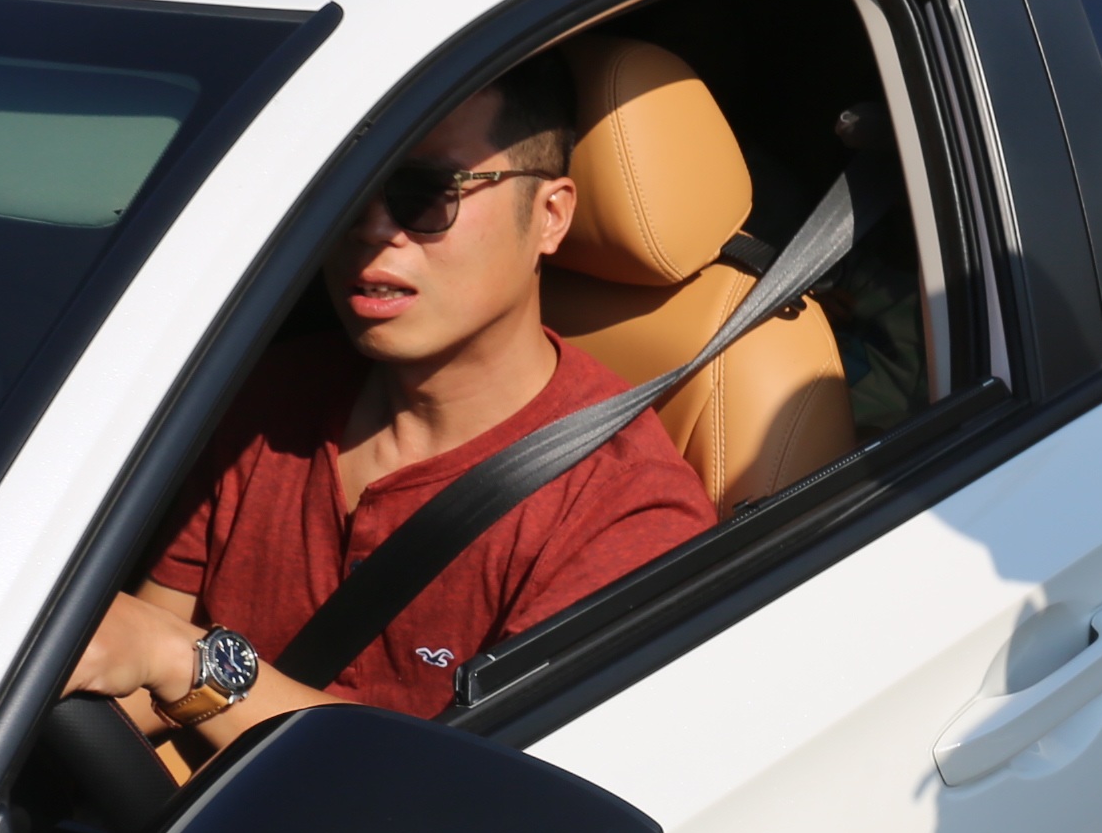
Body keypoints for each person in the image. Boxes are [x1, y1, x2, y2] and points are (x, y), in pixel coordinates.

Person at [63, 60, 717, 752]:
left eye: (426, 192)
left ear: (550, 214)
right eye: (345, 191)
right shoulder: (262, 397)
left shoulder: (625, 512)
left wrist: (187, 663)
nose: (371, 227)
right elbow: (128, 692)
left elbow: (482, 809)